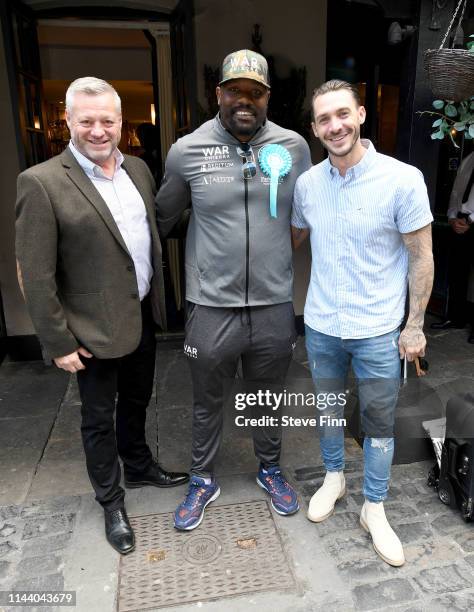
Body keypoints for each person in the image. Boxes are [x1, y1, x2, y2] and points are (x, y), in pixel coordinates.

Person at [15, 77, 188, 555]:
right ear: (68, 121)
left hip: (141, 316)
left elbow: (152, 232)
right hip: (88, 330)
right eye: (86, 121)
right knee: (97, 420)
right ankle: (111, 500)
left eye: (107, 120)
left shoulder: (137, 169)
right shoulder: (42, 182)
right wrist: (57, 342)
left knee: (137, 401)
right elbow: (34, 270)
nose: (98, 130)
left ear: (120, 122)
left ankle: (139, 465)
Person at [156, 49, 312, 530]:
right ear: (218, 93)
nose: (245, 100)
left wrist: (273, 255)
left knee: (266, 397)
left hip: (272, 304)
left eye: (255, 92)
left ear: (267, 97)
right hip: (211, 306)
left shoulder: (294, 147)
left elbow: (302, 213)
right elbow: (162, 218)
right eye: (235, 91)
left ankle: (269, 470)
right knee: (207, 400)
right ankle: (202, 479)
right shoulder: (187, 150)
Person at [291, 80, 434, 566]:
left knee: (378, 425)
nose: (335, 126)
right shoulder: (307, 185)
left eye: (342, 114)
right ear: (314, 129)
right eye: (324, 119)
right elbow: (287, 242)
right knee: (330, 411)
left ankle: (374, 507)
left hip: (377, 330)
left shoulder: (402, 178)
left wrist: (414, 326)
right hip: (322, 324)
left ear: (360, 115)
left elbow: (421, 257)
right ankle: (334, 477)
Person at [430, 151, 474, 343]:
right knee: (457, 273)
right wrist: (452, 217)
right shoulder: (469, 159)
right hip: (458, 223)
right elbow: (457, 191)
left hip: (472, 221)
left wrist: (471, 220)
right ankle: (456, 318)